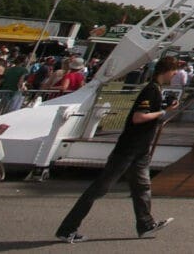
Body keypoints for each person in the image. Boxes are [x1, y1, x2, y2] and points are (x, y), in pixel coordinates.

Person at [56, 56, 183, 242]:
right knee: (100, 189)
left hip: (140, 149)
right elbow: (138, 118)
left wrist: (162, 110)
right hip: (129, 148)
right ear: (166, 70)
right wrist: (164, 112)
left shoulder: (156, 89)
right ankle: (67, 229)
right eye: (174, 71)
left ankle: (146, 224)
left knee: (142, 187)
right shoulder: (150, 90)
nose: (174, 75)